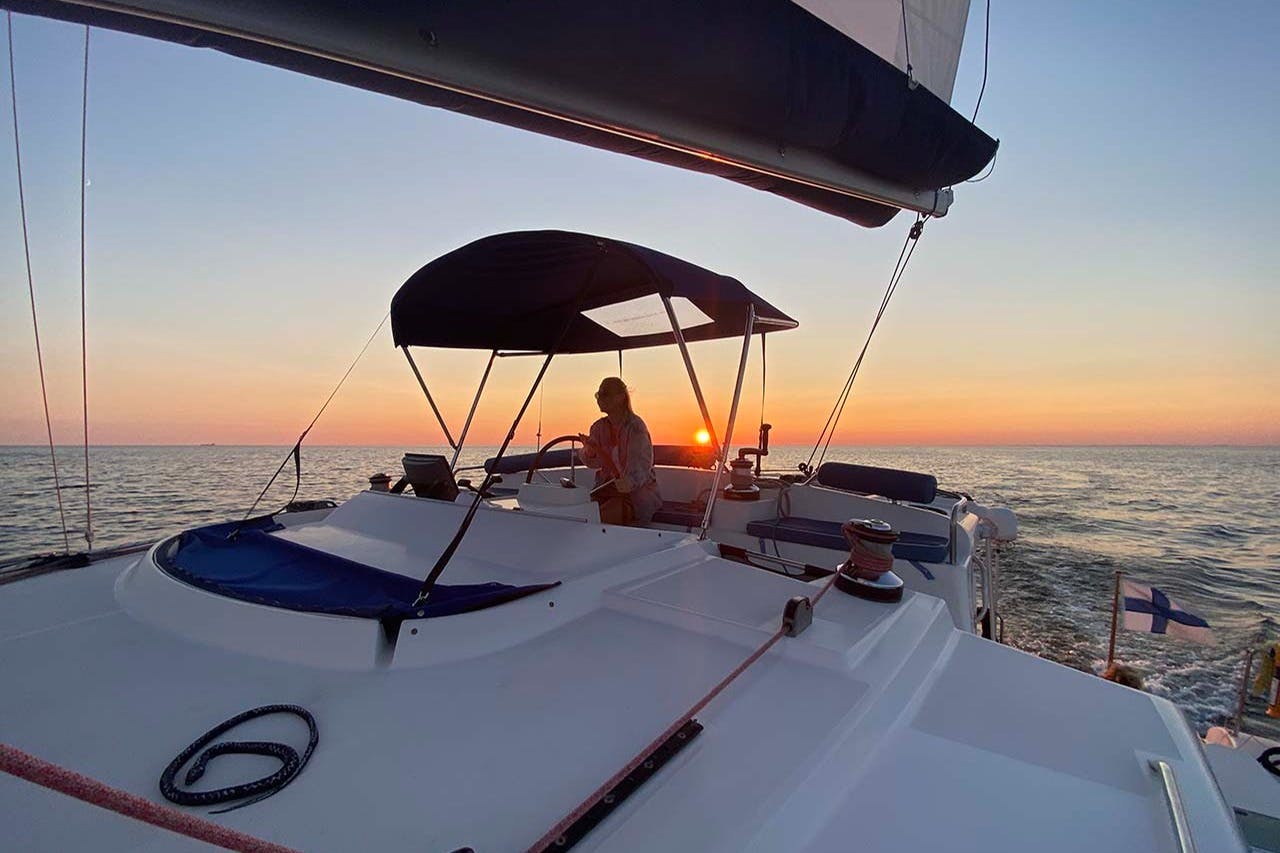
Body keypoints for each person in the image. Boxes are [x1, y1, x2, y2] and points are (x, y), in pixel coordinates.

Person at [577, 377, 662, 525]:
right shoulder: (598, 427)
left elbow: (642, 467)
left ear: (620, 398)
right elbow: (594, 462)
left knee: (593, 519)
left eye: (604, 394)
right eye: (598, 394)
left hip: (635, 496)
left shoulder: (636, 428)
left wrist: (629, 483)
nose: (599, 398)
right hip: (604, 491)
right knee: (578, 512)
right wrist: (589, 451)